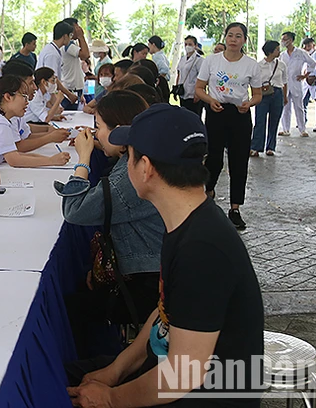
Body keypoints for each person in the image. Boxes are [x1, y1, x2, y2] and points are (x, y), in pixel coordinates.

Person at [68, 104, 264, 407]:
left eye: (128, 155)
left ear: (145, 168)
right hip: (172, 373)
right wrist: (115, 370)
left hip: (204, 393)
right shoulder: (186, 221)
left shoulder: (203, 248)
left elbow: (184, 374)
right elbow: (162, 315)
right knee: (63, 375)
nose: (125, 164)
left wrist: (111, 399)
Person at [60, 91, 163, 357]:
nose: (95, 135)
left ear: (120, 132)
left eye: (98, 128)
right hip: (152, 268)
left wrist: (83, 159)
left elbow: (75, 211)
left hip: (146, 281)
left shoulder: (131, 176)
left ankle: (102, 364)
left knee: (71, 307)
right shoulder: (135, 160)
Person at [195, 23, 262, 230]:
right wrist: (209, 100)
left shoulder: (252, 65)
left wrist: (249, 103)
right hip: (216, 113)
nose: (234, 39)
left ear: (244, 40)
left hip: (240, 115)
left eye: (238, 36)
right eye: (230, 35)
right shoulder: (211, 61)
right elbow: (199, 88)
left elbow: (258, 94)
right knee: (213, 158)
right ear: (225, 38)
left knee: (239, 161)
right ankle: (208, 192)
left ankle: (235, 209)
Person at [0, 75, 71, 167]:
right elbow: (14, 160)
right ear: (8, 97)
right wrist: (51, 161)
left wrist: (49, 158)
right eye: (24, 96)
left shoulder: (2, 118)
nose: (27, 102)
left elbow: (16, 154)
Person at [37, 21, 87, 109]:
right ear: (65, 36)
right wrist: (69, 94)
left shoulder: (53, 50)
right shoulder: (52, 54)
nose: (71, 39)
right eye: (70, 35)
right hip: (47, 95)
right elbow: (52, 79)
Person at [251, 41, 288, 157]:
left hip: (277, 93)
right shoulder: (259, 65)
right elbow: (254, 82)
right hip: (263, 94)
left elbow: (285, 82)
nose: (279, 51)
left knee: (274, 120)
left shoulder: (281, 65)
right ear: (270, 51)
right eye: (277, 49)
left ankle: (271, 147)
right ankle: (256, 147)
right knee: (260, 121)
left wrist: (285, 96)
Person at [279, 31, 316, 137]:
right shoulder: (283, 55)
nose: (283, 41)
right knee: (285, 107)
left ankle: (302, 129)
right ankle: (285, 129)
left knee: (298, 106)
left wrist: (305, 75)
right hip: (285, 83)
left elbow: (312, 63)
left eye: (285, 39)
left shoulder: (300, 52)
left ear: (290, 40)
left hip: (296, 81)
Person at [175, 35, 204, 116]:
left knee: (194, 115)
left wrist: (198, 93)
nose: (187, 46)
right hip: (183, 92)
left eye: (190, 44)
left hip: (193, 93)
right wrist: (177, 87)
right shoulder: (182, 59)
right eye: (186, 44)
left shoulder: (199, 60)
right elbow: (179, 73)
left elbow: (202, 78)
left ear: (195, 46)